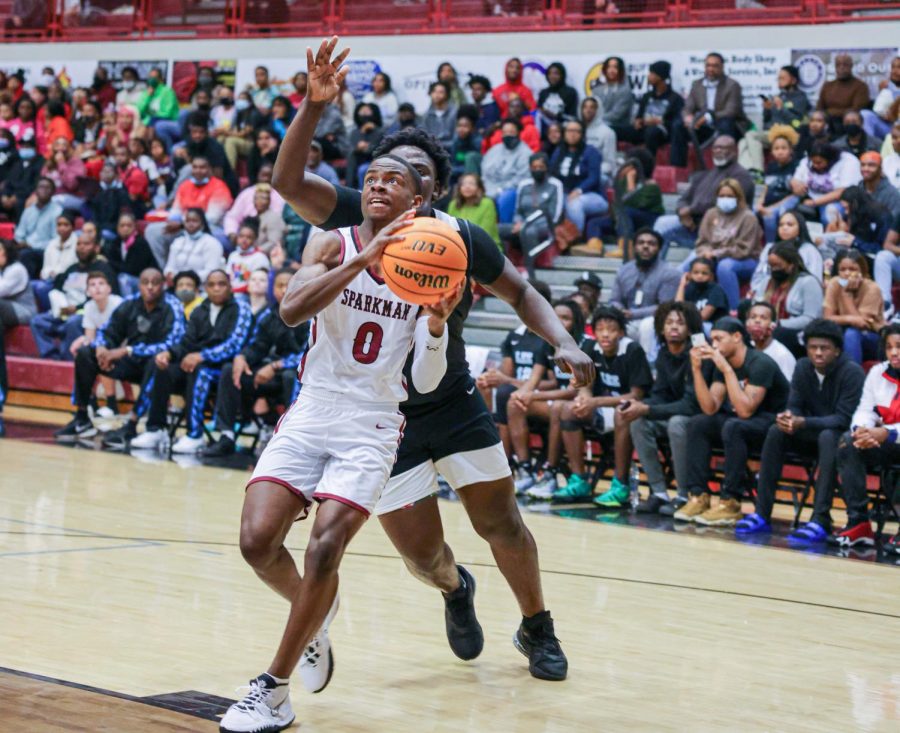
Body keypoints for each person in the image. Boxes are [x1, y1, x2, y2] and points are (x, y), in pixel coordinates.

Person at [269, 37, 595, 686]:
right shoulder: (356, 214)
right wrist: (312, 105)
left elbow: (523, 290)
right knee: (424, 557)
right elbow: (283, 181)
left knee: (500, 518)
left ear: (434, 186)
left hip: (451, 401)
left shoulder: (461, 237)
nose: (387, 175)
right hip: (377, 421)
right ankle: (454, 588)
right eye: (381, 165)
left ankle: (537, 624)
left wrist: (564, 340)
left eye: (407, 167)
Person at [219, 155, 457, 732]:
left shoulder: (436, 264)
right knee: (256, 542)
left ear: (417, 202)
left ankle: (272, 691)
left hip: (374, 421)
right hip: (313, 407)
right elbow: (291, 310)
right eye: (372, 176)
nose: (378, 184)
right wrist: (363, 262)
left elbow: (424, 382)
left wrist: (435, 327)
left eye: (394, 180)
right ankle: (316, 612)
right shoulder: (331, 243)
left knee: (325, 548)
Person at [734, 319, 864, 542]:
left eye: (825, 348)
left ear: (837, 351)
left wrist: (803, 422)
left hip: (838, 437)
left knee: (829, 436)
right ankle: (762, 512)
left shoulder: (852, 372)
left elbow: (843, 419)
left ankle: (820, 518)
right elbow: (794, 404)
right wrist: (789, 417)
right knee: (776, 431)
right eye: (813, 348)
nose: (818, 353)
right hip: (809, 430)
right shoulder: (803, 366)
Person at [675, 316, 790, 525]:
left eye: (719, 339)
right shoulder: (723, 363)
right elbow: (710, 407)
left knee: (734, 425)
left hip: (773, 424)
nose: (714, 345)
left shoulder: (760, 363)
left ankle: (731, 502)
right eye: (712, 340)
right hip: (742, 424)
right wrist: (697, 369)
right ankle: (698, 496)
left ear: (737, 337)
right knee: (699, 423)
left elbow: (746, 411)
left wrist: (726, 369)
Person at [130, 269, 251, 454]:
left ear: (230, 287)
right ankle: (156, 429)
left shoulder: (241, 308)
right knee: (161, 367)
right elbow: (186, 342)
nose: (216, 289)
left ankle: (195, 435)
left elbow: (235, 344)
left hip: (226, 370)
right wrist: (169, 354)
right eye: (211, 285)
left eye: (221, 284)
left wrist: (202, 356)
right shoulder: (199, 311)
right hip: (195, 365)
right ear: (204, 289)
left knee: (200, 370)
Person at [551, 304, 653, 507]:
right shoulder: (590, 348)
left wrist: (594, 401)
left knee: (622, 412)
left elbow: (636, 395)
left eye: (611, 329)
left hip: (631, 410)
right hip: (601, 408)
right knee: (566, 409)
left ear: (621, 332)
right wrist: (584, 398)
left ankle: (620, 484)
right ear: (594, 332)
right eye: (600, 329)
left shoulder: (632, 350)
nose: (605, 334)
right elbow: (584, 385)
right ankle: (579, 479)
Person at [202, 269, 309, 457]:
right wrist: (242, 357)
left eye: (288, 284)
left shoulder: (312, 315)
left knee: (290, 377)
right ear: (273, 289)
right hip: (267, 373)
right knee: (229, 370)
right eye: (279, 285)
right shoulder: (267, 315)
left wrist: (276, 366)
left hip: (295, 373)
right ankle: (226, 435)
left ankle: (291, 440)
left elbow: (307, 354)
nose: (284, 290)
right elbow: (257, 346)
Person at [619, 301, 710, 515]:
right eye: (669, 322)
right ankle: (658, 492)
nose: (674, 327)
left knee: (677, 424)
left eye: (680, 323)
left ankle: (683, 494)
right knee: (638, 420)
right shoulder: (664, 355)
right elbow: (659, 395)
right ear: (660, 327)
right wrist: (640, 405)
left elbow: (690, 405)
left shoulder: (698, 355)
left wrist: (648, 409)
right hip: (671, 413)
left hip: (698, 419)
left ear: (690, 329)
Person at [517, 300, 594, 499]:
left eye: (566, 318)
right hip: (557, 401)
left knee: (558, 407)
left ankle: (550, 473)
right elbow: (534, 378)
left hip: (581, 403)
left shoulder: (586, 344)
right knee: (513, 404)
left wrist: (534, 395)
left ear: (576, 322)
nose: (559, 322)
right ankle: (524, 469)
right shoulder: (547, 343)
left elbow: (574, 390)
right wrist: (523, 394)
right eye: (556, 317)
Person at [833, 323, 900, 548]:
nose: (893, 352)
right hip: (882, 441)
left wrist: (886, 433)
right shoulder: (877, 372)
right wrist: (861, 431)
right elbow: (864, 410)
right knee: (848, 442)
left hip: (891, 438)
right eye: (889, 347)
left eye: (899, 346)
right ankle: (859, 521)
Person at [654, 135, 755, 253]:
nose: (718, 151)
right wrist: (682, 212)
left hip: (719, 228)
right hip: (692, 223)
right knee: (662, 223)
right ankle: (654, 266)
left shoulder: (741, 175)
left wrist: (691, 210)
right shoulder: (705, 174)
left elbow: (725, 204)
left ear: (734, 151)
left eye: (723, 148)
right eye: (715, 148)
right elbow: (684, 198)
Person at [30, 236, 118, 360]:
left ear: (96, 248)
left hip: (83, 313)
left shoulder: (103, 269)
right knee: (37, 321)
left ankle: (70, 360)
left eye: (86, 244)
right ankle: (52, 358)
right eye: (79, 244)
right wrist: (59, 307)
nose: (82, 247)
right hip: (64, 312)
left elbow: (104, 295)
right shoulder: (71, 269)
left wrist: (76, 308)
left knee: (73, 322)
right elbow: (57, 290)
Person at [685, 178, 763, 310]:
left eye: (730, 196)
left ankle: (733, 310)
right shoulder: (711, 214)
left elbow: (744, 249)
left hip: (745, 260)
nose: (725, 199)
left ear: (738, 197)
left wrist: (715, 254)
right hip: (712, 256)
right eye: (722, 196)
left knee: (725, 266)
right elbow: (702, 241)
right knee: (689, 264)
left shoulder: (748, 217)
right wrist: (705, 253)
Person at [144, 157, 233, 266]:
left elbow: (211, 219)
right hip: (184, 225)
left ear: (210, 169)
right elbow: (175, 211)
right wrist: (173, 222)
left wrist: (181, 224)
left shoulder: (219, 187)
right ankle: (165, 269)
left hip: (211, 229)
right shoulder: (185, 185)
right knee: (152, 231)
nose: (198, 171)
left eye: (202, 167)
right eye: (195, 167)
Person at [608, 228, 680, 356]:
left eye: (651, 244)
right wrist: (619, 310)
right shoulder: (624, 270)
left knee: (647, 326)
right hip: (626, 319)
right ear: (635, 247)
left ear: (659, 249)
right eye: (641, 243)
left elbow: (666, 307)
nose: (645, 246)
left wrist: (633, 313)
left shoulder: (670, 273)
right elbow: (614, 300)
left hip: (654, 320)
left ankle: (648, 366)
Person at [672, 53, 749, 167]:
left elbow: (731, 111)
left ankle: (726, 165)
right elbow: (687, 108)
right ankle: (678, 167)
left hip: (725, 125)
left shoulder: (732, 85)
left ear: (722, 67)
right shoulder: (697, 84)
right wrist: (688, 117)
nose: (710, 69)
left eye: (715, 66)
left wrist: (707, 118)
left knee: (726, 122)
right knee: (678, 125)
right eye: (708, 65)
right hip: (704, 128)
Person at [752, 243, 823, 359]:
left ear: (791, 265)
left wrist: (779, 324)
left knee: (777, 333)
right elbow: (754, 306)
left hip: (797, 332)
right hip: (768, 325)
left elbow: (811, 318)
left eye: (778, 266)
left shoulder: (808, 282)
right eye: (771, 266)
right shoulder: (767, 282)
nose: (774, 269)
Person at [738, 65, 810, 173]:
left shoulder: (800, 97)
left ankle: (758, 170)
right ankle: (746, 173)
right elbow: (766, 122)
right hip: (771, 133)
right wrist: (766, 110)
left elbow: (796, 123)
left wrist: (781, 108)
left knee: (751, 135)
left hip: (788, 134)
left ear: (793, 80)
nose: (779, 81)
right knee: (743, 141)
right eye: (778, 78)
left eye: (783, 78)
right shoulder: (777, 96)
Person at [498, 153, 563, 269]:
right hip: (522, 223)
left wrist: (525, 225)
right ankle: (503, 264)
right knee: (498, 229)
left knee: (529, 231)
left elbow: (554, 216)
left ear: (547, 167)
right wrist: (518, 223)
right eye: (534, 167)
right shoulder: (524, 185)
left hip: (545, 225)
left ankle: (530, 267)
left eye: (541, 167)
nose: (537, 170)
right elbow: (518, 210)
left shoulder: (555, 185)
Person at [823, 250, 885, 364]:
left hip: (872, 337)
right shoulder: (834, 283)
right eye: (842, 269)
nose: (847, 273)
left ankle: (853, 376)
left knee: (851, 334)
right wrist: (849, 319)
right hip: (843, 331)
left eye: (852, 269)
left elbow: (861, 324)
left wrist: (846, 294)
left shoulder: (872, 288)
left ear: (863, 271)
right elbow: (827, 318)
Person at [549, 120, 606, 240]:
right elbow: (552, 175)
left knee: (574, 204)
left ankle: (575, 239)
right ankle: (552, 240)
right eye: (569, 131)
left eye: (577, 131)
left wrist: (578, 190)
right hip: (564, 192)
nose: (572, 134)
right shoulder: (559, 151)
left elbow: (594, 177)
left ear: (582, 134)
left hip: (591, 195)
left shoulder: (591, 152)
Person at [617, 60, 683, 160]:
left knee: (652, 132)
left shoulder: (675, 98)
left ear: (660, 77)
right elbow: (639, 115)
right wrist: (637, 121)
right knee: (616, 130)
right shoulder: (647, 96)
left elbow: (677, 122)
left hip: (661, 132)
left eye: (652, 74)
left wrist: (659, 121)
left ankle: (648, 165)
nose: (649, 76)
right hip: (644, 128)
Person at [751, 211, 823, 296]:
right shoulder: (769, 248)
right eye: (781, 225)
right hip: (769, 293)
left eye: (790, 224)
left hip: (798, 296)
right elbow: (758, 276)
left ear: (800, 227)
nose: (784, 228)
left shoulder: (809, 250)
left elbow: (815, 279)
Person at [756, 125, 801, 244]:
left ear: (791, 149)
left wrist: (772, 208)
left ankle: (772, 245)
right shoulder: (771, 166)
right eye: (776, 148)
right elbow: (766, 187)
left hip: (785, 203)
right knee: (752, 212)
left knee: (769, 216)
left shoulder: (797, 167)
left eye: (783, 148)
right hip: (769, 203)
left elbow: (795, 194)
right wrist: (760, 203)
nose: (780, 152)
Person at [481, 118, 531, 220]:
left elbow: (522, 179)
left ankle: (504, 229)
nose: (508, 135)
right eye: (505, 132)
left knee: (505, 197)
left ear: (518, 133)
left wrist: (500, 190)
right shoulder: (495, 149)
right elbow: (484, 171)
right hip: (489, 186)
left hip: (510, 190)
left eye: (511, 132)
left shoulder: (526, 153)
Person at [162, 207, 225, 286]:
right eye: (187, 221)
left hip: (202, 287)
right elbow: (169, 266)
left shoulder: (212, 243)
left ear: (202, 223)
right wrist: (169, 273)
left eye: (194, 221)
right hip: (177, 285)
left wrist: (188, 280)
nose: (190, 224)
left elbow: (211, 271)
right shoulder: (178, 242)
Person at [743, 300, 797, 381]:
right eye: (753, 317)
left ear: (773, 325)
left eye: (763, 318)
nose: (757, 321)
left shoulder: (782, 355)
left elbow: (788, 390)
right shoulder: (744, 348)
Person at [104, 212, 155, 297]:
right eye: (122, 225)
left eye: (129, 225)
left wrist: (109, 262)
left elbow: (132, 269)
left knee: (123, 278)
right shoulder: (116, 243)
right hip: (126, 278)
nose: (125, 228)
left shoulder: (140, 243)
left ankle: (127, 306)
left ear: (135, 227)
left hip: (144, 281)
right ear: (117, 228)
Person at [817, 54, 870, 133]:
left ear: (851, 66)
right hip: (828, 122)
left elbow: (856, 110)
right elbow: (819, 108)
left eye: (845, 64)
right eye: (838, 65)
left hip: (848, 123)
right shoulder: (827, 86)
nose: (841, 67)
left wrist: (830, 112)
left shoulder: (861, 86)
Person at [447, 173, 500, 248]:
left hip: (486, 248)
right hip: (459, 248)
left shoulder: (487, 203)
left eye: (471, 184)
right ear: (459, 188)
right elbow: (450, 230)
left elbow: (485, 234)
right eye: (464, 184)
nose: (467, 187)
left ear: (479, 188)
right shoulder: (453, 204)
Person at [676, 257, 729, 327]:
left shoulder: (716, 290)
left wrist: (683, 321)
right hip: (692, 323)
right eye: (696, 272)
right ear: (689, 274)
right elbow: (678, 308)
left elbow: (703, 317)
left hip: (713, 326)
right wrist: (682, 285)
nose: (700, 276)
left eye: (704, 273)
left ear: (711, 276)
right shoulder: (689, 288)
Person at [590, 56, 634, 136]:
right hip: (598, 124)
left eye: (615, 67)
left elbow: (616, 115)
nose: (611, 70)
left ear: (620, 70)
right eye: (609, 67)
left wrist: (595, 120)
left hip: (618, 127)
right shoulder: (596, 90)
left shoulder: (625, 91)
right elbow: (592, 109)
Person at [226, 219, 270, 294]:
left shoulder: (260, 258)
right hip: (231, 293)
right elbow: (227, 276)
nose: (244, 240)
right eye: (241, 236)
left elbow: (257, 283)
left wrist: (233, 291)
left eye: (249, 237)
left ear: (255, 240)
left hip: (249, 294)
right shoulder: (233, 255)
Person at [346, 102, 384, 188]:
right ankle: (349, 189)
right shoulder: (354, 132)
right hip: (356, 161)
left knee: (362, 169)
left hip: (373, 161)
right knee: (352, 160)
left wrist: (364, 148)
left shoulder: (379, 131)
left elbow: (375, 151)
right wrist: (362, 133)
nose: (364, 114)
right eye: (362, 111)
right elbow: (350, 150)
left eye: (367, 111)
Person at [579, 97, 616, 183]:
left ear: (598, 110)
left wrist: (591, 170)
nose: (588, 110)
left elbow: (610, 164)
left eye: (592, 107)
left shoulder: (607, 132)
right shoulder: (575, 130)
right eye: (585, 107)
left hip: (599, 173)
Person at [862, 56, 900, 141]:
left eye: (899, 67)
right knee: (865, 114)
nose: (895, 71)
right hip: (888, 127)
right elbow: (879, 110)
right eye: (893, 67)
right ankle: (870, 145)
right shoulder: (886, 87)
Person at [536, 62, 577, 130]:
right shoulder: (543, 93)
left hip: (564, 130)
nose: (552, 76)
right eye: (550, 73)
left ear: (562, 75)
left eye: (556, 73)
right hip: (545, 131)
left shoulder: (570, 92)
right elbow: (539, 114)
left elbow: (572, 118)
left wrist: (555, 116)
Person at [422, 81, 457, 152]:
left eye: (441, 92)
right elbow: (424, 135)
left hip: (451, 149)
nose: (437, 95)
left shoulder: (455, 112)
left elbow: (456, 138)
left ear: (447, 95)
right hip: (432, 150)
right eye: (434, 92)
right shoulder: (426, 115)